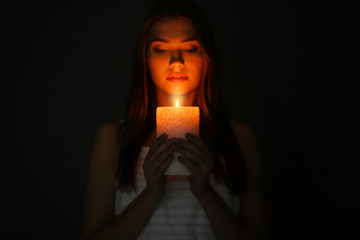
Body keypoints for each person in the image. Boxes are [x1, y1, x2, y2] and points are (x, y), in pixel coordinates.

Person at [80, 0, 267, 239]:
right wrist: (150, 194)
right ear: (144, 59)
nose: (176, 61)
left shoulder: (239, 138)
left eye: (190, 48)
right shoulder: (114, 139)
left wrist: (205, 192)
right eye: (161, 48)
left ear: (206, 57)